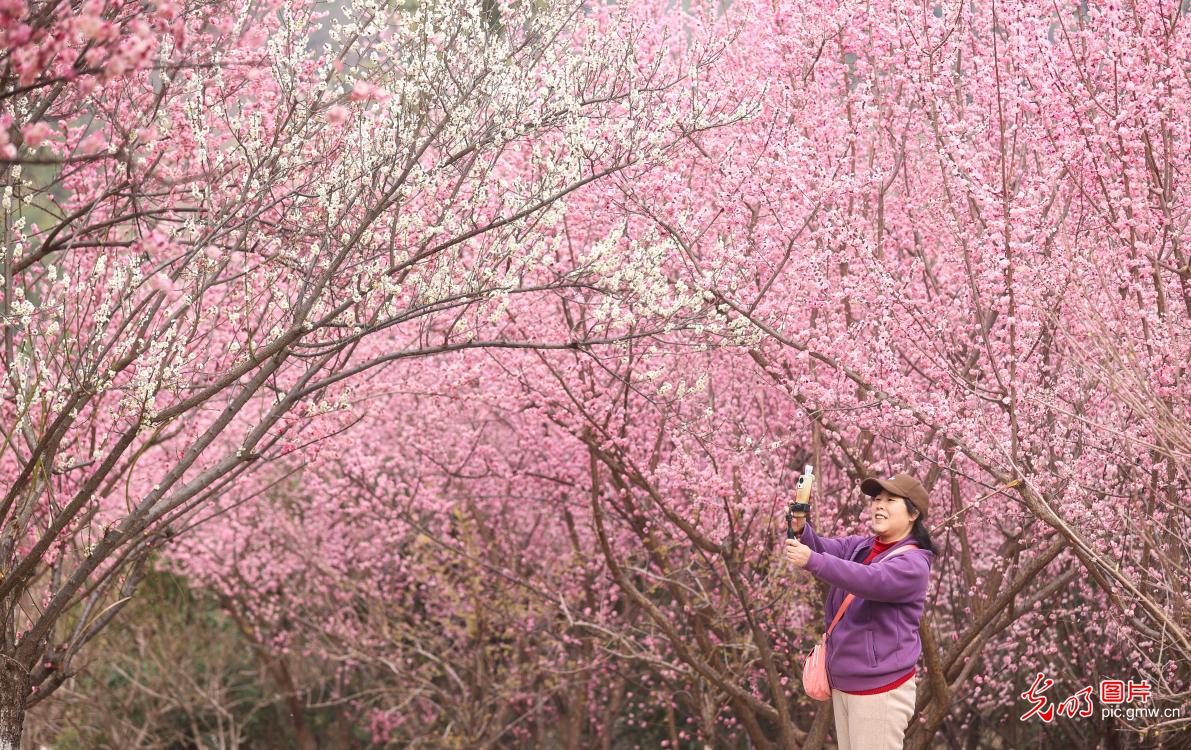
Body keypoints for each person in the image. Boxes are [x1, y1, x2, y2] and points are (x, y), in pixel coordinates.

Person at [784, 472, 937, 750]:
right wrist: (801, 529)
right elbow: (824, 548)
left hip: (880, 690)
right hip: (846, 682)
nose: (879, 505)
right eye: (877, 499)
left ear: (913, 513)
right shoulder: (863, 546)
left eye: (890, 500)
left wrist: (812, 561)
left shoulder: (913, 564)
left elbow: (869, 580)